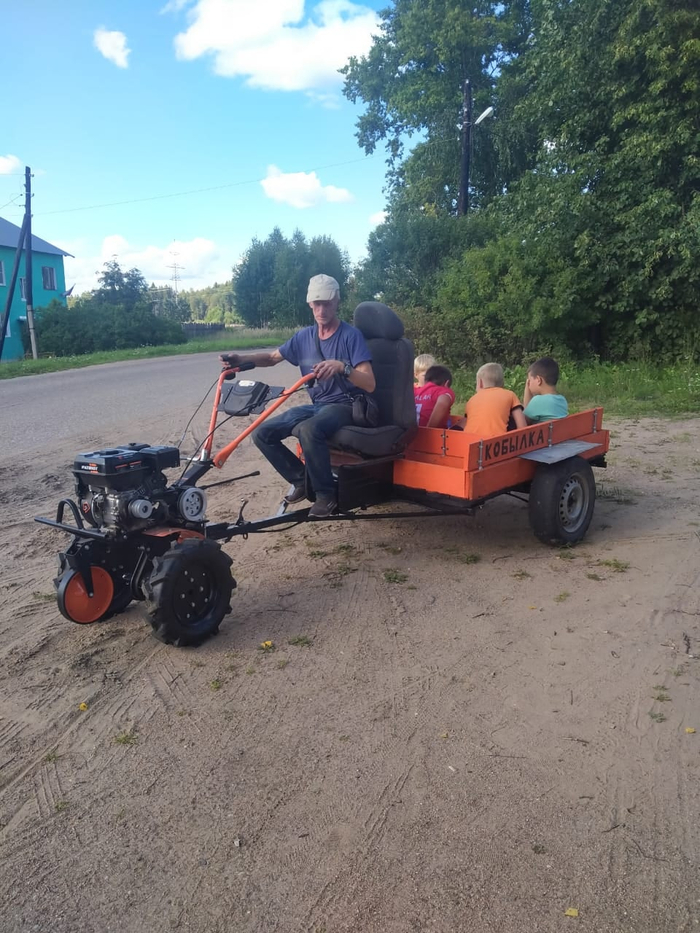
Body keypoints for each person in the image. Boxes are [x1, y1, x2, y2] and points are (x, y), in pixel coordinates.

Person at [219, 274, 375, 518]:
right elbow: (272, 358)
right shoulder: (304, 337)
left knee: (308, 429)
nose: (322, 310)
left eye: (327, 303)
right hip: (318, 406)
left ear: (337, 301)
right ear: (310, 303)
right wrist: (241, 359)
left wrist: (342, 367)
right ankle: (301, 480)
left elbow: (369, 383)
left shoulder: (350, 336)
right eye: (317, 304)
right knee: (262, 433)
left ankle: (326, 496)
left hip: (346, 405)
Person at [463, 362, 527, 437]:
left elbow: (465, 423)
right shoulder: (510, 394)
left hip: (470, 440)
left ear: (480, 383)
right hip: (496, 441)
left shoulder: (471, 400)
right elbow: (522, 427)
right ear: (502, 383)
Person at [522, 357, 568, 423]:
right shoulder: (562, 400)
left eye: (529, 380)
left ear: (538, 380)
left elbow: (524, 422)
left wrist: (527, 388)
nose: (529, 384)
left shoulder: (537, 401)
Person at [414, 364, 455, 428]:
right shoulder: (442, 390)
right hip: (431, 433)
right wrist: (429, 429)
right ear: (447, 383)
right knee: (464, 421)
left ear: (425, 381)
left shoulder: (414, 391)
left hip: (410, 431)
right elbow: (442, 403)